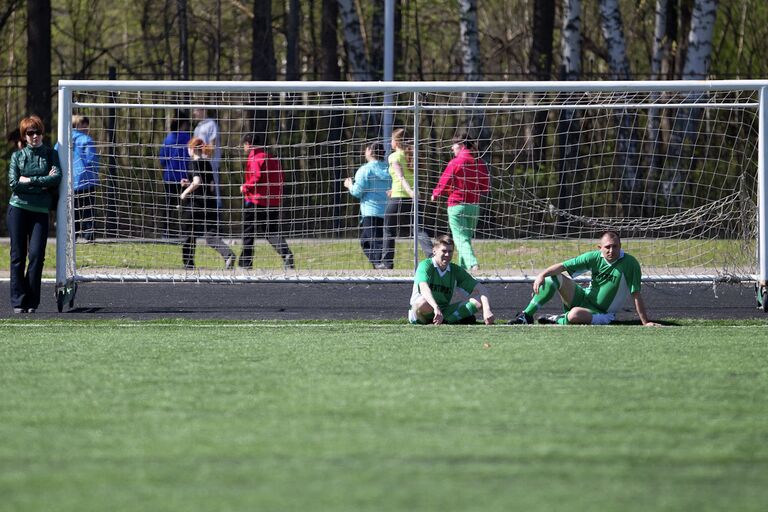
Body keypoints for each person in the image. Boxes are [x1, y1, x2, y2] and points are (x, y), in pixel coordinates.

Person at [509, 231, 660, 326]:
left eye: (615, 246)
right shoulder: (594, 257)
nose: (611, 250)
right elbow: (562, 266)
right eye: (607, 247)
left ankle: (558, 319)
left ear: (620, 246)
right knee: (552, 277)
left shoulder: (630, 263)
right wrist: (541, 275)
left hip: (602, 313)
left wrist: (645, 322)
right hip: (583, 298)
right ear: (599, 247)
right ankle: (526, 316)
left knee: (575, 314)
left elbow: (636, 294)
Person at [7, 115, 61, 313]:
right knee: (17, 256)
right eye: (30, 133)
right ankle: (18, 301)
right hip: (18, 209)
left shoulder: (50, 155)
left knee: (37, 255)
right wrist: (41, 183)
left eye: (37, 132)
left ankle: (32, 301)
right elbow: (13, 184)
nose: (35, 136)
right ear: (24, 136)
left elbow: (56, 177)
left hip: (40, 211)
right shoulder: (17, 157)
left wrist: (29, 181)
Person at [431, 133, 490, 270]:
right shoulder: (479, 162)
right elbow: (484, 186)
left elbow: (444, 181)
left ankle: (473, 264)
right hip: (474, 207)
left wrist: (435, 194)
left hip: (457, 205)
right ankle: (463, 268)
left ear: (461, 145)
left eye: (453, 145)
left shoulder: (455, 162)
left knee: (460, 239)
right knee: (466, 239)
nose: (452, 148)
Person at [409, 234, 495, 325]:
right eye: (444, 251)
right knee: (423, 302)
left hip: (444, 311)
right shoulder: (425, 265)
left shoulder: (455, 270)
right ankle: (447, 319)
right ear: (434, 251)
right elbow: (423, 288)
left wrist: (487, 310)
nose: (447, 254)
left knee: (479, 301)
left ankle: (445, 321)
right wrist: (436, 307)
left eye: (450, 251)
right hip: (422, 312)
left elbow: (481, 289)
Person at [238, 133, 295, 270]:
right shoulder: (272, 158)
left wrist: (245, 187)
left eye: (244, 145)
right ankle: (286, 254)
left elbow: (257, 176)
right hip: (273, 201)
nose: (243, 147)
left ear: (248, 144)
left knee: (248, 232)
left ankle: (246, 263)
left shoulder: (255, 158)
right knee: (271, 232)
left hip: (256, 201)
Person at [179, 137, 235, 270]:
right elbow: (210, 186)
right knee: (210, 236)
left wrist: (185, 192)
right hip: (209, 203)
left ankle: (188, 264)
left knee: (188, 233)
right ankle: (228, 254)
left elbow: (197, 182)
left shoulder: (193, 163)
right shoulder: (207, 163)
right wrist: (189, 183)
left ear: (192, 149)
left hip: (195, 204)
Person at [381, 128, 432, 269]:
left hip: (400, 198)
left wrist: (409, 191)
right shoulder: (412, 155)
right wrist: (396, 189)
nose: (390, 142)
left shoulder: (394, 157)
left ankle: (387, 264)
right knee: (419, 229)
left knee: (388, 229)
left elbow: (401, 176)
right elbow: (406, 177)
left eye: (391, 139)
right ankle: (432, 256)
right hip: (410, 197)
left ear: (396, 142)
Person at [343, 142, 391, 269]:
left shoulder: (365, 170)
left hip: (370, 211)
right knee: (368, 241)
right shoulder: (389, 169)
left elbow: (358, 192)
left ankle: (380, 265)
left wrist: (349, 185)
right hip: (386, 211)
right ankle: (380, 264)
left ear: (369, 151)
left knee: (373, 242)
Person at [159, 113, 191, 238]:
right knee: (185, 206)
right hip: (184, 178)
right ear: (183, 124)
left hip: (169, 177)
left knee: (169, 205)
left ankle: (166, 232)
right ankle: (185, 232)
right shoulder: (188, 139)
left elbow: (162, 159)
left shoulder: (168, 139)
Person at [68, 115, 99, 241]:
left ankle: (72, 235)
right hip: (87, 180)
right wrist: (96, 173)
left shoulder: (63, 139)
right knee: (88, 209)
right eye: (83, 124)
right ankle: (89, 235)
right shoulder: (86, 140)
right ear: (76, 125)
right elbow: (92, 159)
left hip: (70, 181)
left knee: (73, 210)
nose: (86, 127)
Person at [191, 108, 223, 219]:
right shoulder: (198, 127)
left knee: (214, 193)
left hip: (210, 166)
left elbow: (212, 145)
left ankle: (216, 227)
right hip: (200, 165)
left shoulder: (211, 124)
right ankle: (200, 227)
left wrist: (205, 159)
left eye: (196, 110)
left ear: (203, 110)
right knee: (200, 192)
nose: (194, 112)